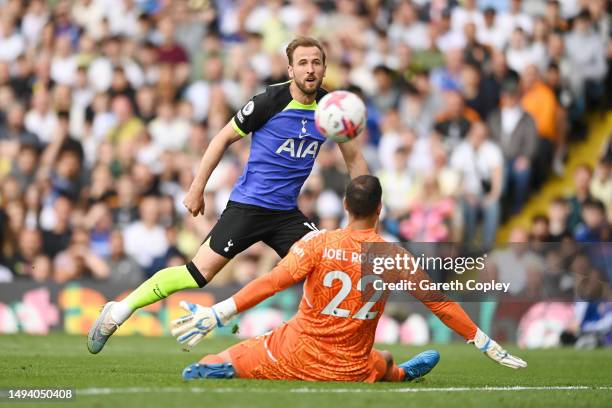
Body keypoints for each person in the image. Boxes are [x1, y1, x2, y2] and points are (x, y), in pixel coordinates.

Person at [87, 37, 369, 354]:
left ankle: (335, 352)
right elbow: (221, 139)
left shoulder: (331, 109)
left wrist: (366, 221)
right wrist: (197, 189)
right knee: (197, 274)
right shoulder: (268, 102)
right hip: (248, 207)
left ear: (324, 68)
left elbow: (354, 160)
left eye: (316, 62)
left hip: (286, 214)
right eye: (302, 63)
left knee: (329, 267)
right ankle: (119, 311)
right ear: (290, 69)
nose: (310, 69)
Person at [171, 176, 526, 382]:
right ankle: (401, 374)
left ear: (344, 205)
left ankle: (216, 368)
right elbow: (441, 304)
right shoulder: (395, 257)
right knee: (383, 359)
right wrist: (483, 341)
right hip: (349, 367)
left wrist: (219, 313)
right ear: (380, 209)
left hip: (292, 354)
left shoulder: (317, 243)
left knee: (219, 359)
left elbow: (272, 283)